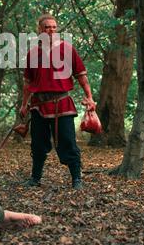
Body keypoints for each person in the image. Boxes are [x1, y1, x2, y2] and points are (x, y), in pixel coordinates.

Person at [19, 14, 96, 190]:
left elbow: (81, 76)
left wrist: (90, 97)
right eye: (47, 27)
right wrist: (24, 105)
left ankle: (77, 179)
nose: (51, 30)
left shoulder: (68, 50)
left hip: (62, 104)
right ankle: (35, 178)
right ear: (39, 30)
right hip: (38, 106)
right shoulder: (32, 54)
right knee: (38, 144)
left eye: (54, 27)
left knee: (68, 142)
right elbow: (28, 84)